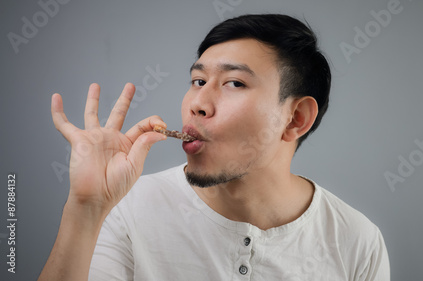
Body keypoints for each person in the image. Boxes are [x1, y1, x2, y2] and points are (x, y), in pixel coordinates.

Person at [38, 14, 390, 280]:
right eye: (198, 81)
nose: (198, 103)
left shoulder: (357, 241)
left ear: (296, 118)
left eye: (234, 83)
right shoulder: (127, 206)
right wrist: (86, 209)